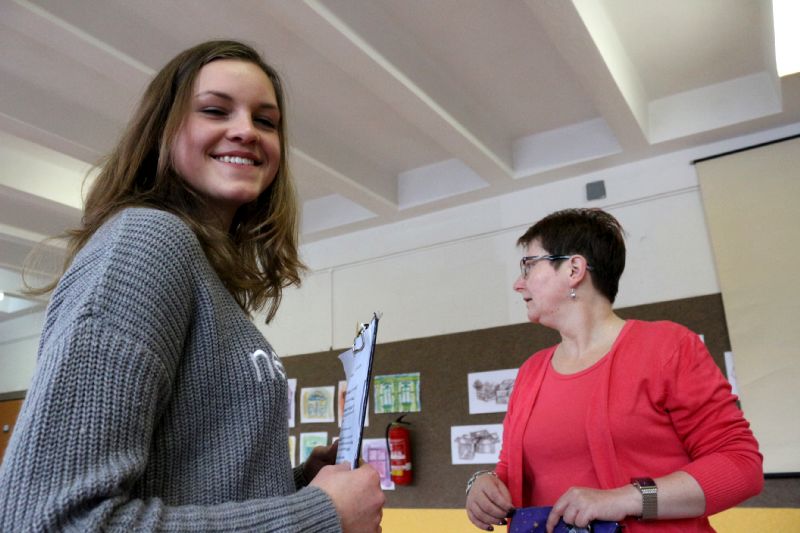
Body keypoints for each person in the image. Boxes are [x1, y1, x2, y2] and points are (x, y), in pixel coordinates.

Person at [0, 40, 384, 532]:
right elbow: (48, 521)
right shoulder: (147, 240)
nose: (246, 131)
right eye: (215, 110)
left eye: (266, 121)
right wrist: (318, 515)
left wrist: (299, 487)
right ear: (163, 130)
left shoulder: (204, 274)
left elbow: (194, 486)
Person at [465, 208, 762, 532]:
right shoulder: (530, 372)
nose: (518, 284)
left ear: (574, 269)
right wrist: (484, 483)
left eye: (529, 265)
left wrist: (626, 499)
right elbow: (509, 469)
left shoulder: (668, 347)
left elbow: (740, 465)